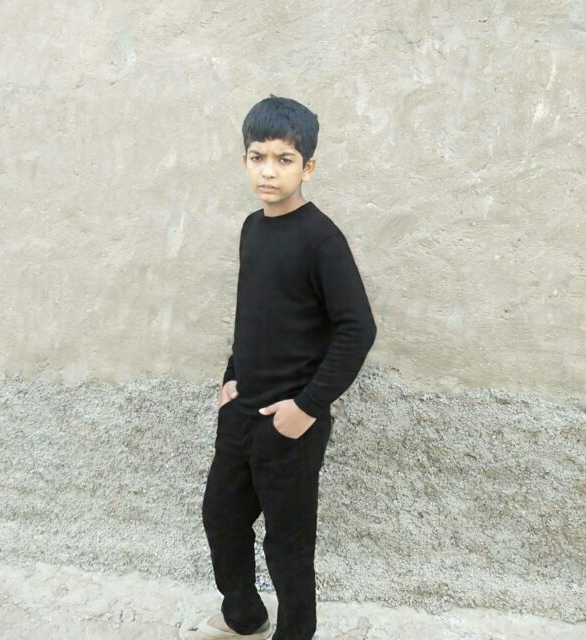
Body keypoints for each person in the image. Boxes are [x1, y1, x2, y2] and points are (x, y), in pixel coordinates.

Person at [183, 95, 377, 640]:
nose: (268, 171)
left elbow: (357, 329)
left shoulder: (322, 240)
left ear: (307, 167)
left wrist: (307, 408)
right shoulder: (252, 228)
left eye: (284, 159)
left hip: (291, 422)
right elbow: (254, 313)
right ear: (245, 160)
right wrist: (230, 376)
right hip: (241, 412)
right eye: (258, 157)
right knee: (221, 517)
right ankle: (243, 616)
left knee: (288, 544)